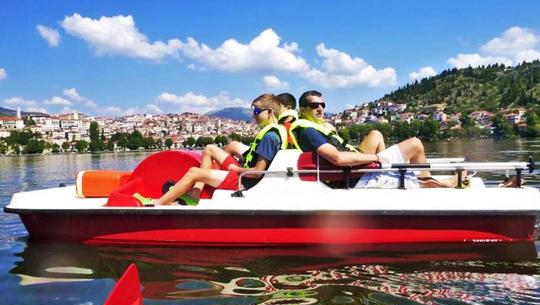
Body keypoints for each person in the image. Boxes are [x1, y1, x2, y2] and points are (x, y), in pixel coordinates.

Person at [134, 94, 287, 206]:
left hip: (244, 182)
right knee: (209, 149)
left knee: (194, 172)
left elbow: (257, 172)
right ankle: (195, 193)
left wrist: (236, 168)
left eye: (256, 112)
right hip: (242, 174)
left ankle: (159, 203)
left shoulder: (269, 137)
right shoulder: (272, 133)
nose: (254, 117)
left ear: (270, 112)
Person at [291, 90, 461, 188]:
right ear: (304, 109)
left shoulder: (317, 127)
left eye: (322, 105)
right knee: (415, 144)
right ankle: (427, 183)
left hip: (356, 169)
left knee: (376, 134)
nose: (320, 109)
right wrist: (376, 158)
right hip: (352, 176)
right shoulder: (309, 132)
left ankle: (391, 176)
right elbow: (338, 158)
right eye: (314, 106)